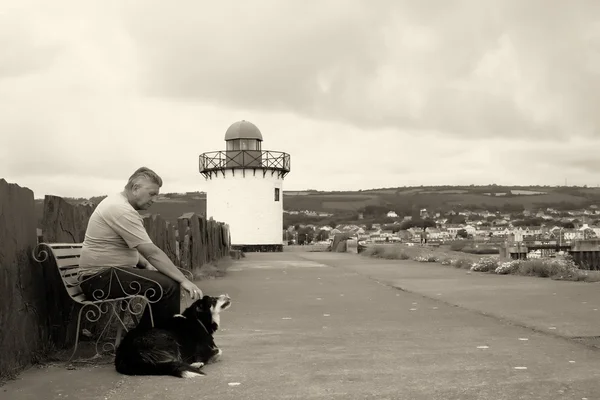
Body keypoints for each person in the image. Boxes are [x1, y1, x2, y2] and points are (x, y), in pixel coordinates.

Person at [79, 167, 203, 329]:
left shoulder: (119, 204)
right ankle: (157, 340)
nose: (154, 199)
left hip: (107, 275)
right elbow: (151, 252)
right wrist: (184, 280)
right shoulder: (121, 210)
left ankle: (149, 337)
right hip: (98, 280)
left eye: (156, 195)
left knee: (167, 281)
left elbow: (129, 248)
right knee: (167, 286)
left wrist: (145, 265)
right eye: (152, 193)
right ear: (135, 188)